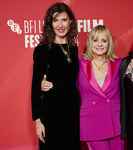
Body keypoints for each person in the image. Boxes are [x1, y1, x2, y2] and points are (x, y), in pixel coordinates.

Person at [31, 3, 80, 150]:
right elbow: (35, 89)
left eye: (64, 20)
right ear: (50, 24)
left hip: (72, 111)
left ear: (70, 21)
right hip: (52, 113)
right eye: (55, 20)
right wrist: (38, 123)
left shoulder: (73, 48)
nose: (60, 25)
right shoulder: (43, 49)